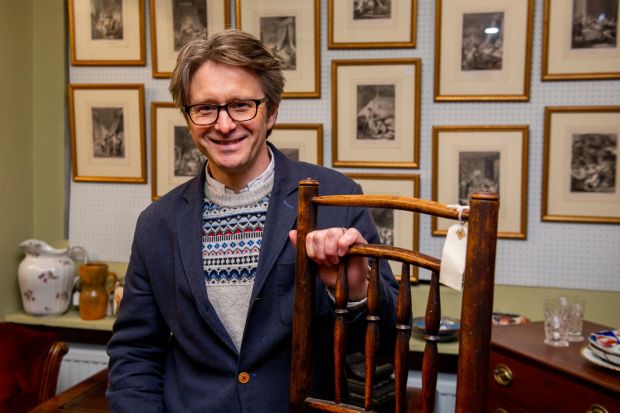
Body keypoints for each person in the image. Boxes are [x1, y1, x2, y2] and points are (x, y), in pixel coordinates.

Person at [106, 29, 398, 412]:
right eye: (206, 108)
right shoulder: (156, 224)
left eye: (242, 105)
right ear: (189, 117)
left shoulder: (335, 198)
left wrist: (358, 290)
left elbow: (389, 339)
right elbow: (134, 353)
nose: (224, 125)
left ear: (272, 110)